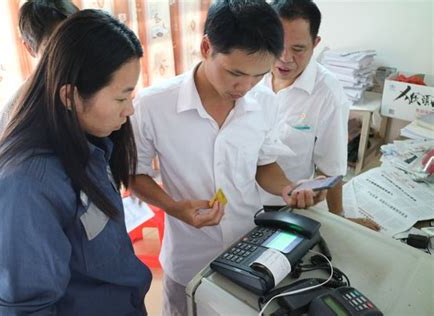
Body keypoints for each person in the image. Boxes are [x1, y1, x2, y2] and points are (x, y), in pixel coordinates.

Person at [130, 1, 327, 314]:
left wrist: (287, 188)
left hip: (247, 250)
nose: (245, 87)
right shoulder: (153, 105)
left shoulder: (263, 101)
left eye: (258, 75)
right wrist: (174, 207)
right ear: (207, 47)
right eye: (235, 73)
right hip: (188, 258)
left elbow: (264, 164)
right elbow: (134, 174)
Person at [0, 10, 151, 315]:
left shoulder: (91, 142)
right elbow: (25, 308)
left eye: (131, 96)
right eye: (121, 98)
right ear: (70, 96)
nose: (130, 111)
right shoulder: (24, 188)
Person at [259, 0, 379, 230]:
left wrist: (339, 217)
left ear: (315, 44)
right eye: (277, 45)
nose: (285, 58)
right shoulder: (252, 73)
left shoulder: (327, 93)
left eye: (298, 49)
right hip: (237, 198)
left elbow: (331, 167)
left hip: (284, 203)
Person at [0, 0, 79, 140]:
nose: (70, 54)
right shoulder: (12, 114)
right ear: (29, 48)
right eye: (55, 48)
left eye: (75, 42)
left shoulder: (99, 84)